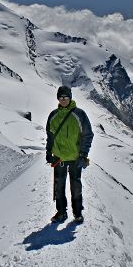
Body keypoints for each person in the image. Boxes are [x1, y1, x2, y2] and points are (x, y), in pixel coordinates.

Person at [46, 86, 94, 223]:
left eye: (66, 97)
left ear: (70, 97)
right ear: (58, 98)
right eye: (61, 97)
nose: (63, 100)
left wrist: (83, 154)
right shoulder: (53, 115)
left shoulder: (79, 114)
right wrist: (49, 152)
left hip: (75, 158)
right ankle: (61, 212)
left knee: (76, 186)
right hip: (59, 158)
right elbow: (50, 136)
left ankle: (77, 213)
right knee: (59, 186)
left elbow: (88, 134)